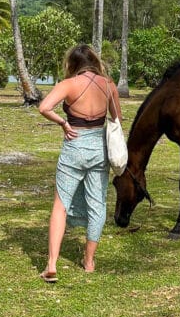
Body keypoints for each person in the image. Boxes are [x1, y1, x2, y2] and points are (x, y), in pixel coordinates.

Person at [38, 44, 122, 283]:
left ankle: (52, 264)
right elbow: (116, 118)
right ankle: (89, 262)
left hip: (74, 146)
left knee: (60, 204)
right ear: (95, 61)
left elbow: (44, 107)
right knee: (98, 204)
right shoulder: (108, 84)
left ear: (72, 64)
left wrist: (63, 124)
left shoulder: (68, 84)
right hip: (98, 148)